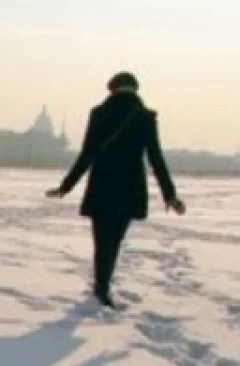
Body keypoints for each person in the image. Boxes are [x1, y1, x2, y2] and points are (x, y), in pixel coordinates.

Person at [46, 71, 186, 308]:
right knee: (114, 240)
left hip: (101, 185)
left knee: (102, 240)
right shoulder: (144, 116)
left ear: (111, 89)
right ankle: (102, 287)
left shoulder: (100, 114)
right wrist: (170, 195)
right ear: (135, 89)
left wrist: (65, 187)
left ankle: (101, 287)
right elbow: (156, 158)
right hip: (130, 187)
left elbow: (87, 154)